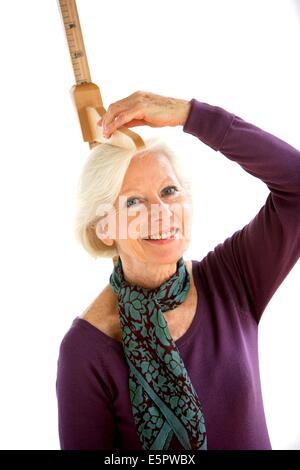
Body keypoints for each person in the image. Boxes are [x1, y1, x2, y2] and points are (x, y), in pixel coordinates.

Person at [56, 91, 300, 450]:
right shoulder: (88, 350)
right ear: (103, 227)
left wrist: (189, 114)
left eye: (169, 191)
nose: (162, 213)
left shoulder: (231, 280)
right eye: (134, 201)